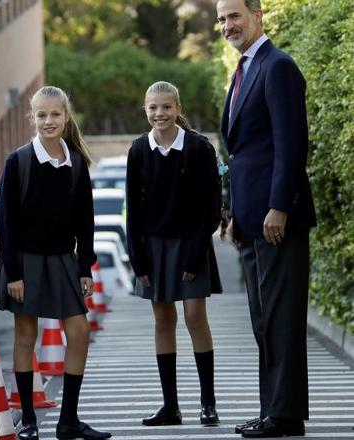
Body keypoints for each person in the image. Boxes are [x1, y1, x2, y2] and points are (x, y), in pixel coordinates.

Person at [0, 86, 111, 440]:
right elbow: (5, 222)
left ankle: (68, 420)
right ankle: (28, 421)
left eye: (55, 114)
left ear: (66, 117)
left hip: (63, 261)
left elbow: (86, 219)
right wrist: (13, 272)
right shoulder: (18, 161)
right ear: (33, 118)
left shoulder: (75, 164)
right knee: (26, 335)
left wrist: (85, 265)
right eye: (41, 115)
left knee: (80, 333)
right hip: (24, 262)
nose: (48, 121)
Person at [217, 0, 316, 437]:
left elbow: (291, 145)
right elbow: (242, 152)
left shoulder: (278, 67)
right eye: (220, 19)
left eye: (234, 16)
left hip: (279, 218)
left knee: (281, 319)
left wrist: (279, 205)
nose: (227, 25)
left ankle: (286, 415)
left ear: (258, 16)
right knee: (262, 320)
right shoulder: (242, 70)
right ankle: (272, 409)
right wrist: (234, 214)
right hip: (252, 221)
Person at [126, 81, 223, 428]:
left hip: (191, 244)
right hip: (152, 247)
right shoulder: (138, 150)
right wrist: (138, 258)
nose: (159, 114)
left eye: (166, 107)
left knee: (195, 316)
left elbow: (212, 206)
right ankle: (171, 406)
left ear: (179, 109)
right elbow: (133, 210)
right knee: (163, 320)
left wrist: (196, 253)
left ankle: (208, 404)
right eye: (153, 108)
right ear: (145, 110)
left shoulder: (199, 148)